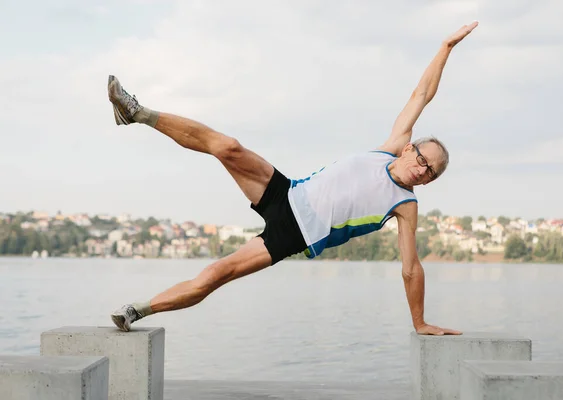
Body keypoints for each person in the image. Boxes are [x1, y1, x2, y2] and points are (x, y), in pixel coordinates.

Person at [109, 22, 478, 335]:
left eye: (431, 171)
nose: (422, 167)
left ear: (429, 181)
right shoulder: (390, 147)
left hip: (293, 234)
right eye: (422, 158)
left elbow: (411, 268)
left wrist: (420, 322)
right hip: (287, 192)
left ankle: (137, 311)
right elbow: (421, 94)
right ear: (409, 148)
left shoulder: (405, 205)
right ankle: (138, 113)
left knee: (215, 274)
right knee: (229, 147)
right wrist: (445, 47)